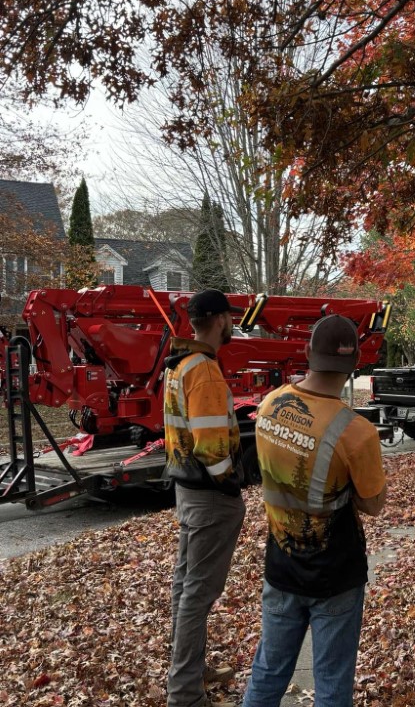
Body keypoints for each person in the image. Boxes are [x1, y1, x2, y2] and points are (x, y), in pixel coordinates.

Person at [242, 314, 387, 707]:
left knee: (268, 673)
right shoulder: (357, 432)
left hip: (281, 566)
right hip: (335, 575)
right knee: (332, 686)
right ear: (355, 363)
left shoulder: (270, 405)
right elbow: (374, 505)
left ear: (307, 352)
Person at [165, 288, 248, 707]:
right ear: (219, 320)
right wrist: (231, 482)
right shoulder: (205, 371)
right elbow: (211, 446)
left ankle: (190, 673)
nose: (232, 324)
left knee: (185, 587)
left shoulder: (179, 365)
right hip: (211, 497)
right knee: (197, 593)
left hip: (188, 491)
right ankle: (184, 694)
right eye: (230, 318)